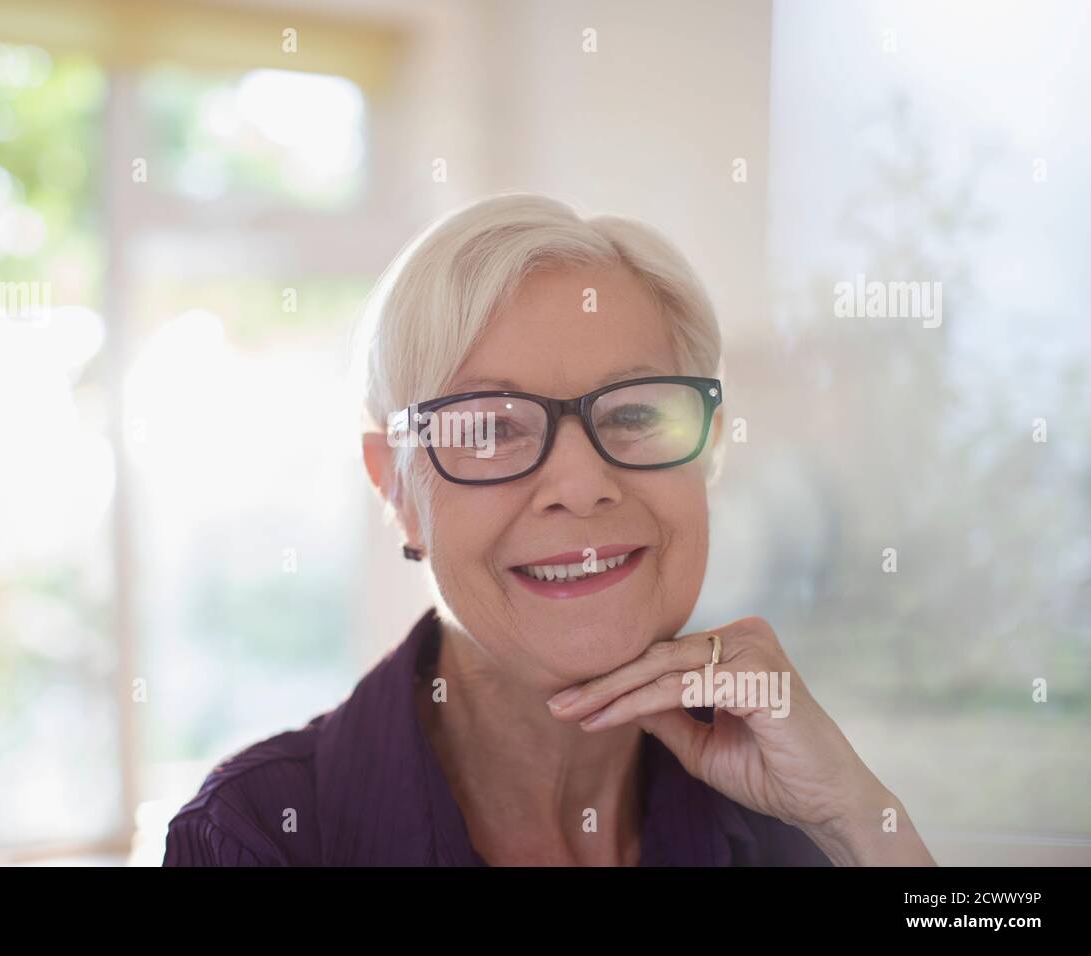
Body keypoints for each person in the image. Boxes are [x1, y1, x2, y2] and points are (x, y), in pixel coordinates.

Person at [163, 192, 936, 866]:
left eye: (635, 412)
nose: (580, 485)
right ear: (395, 486)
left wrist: (857, 820)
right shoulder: (256, 838)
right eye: (492, 428)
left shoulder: (781, 815)